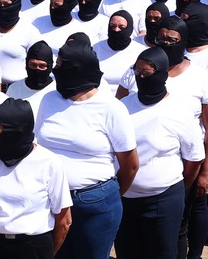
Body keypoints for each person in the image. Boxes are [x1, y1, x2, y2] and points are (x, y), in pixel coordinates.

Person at [35, 39, 139, 259]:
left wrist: (105, 195)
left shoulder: (111, 108)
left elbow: (130, 165)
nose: (56, 69)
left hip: (94, 204)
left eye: (62, 64)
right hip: (50, 199)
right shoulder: (49, 99)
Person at [116, 48, 205, 259]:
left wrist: (176, 188)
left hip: (163, 200)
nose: (140, 77)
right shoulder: (121, 107)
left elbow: (194, 158)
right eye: (136, 71)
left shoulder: (179, 110)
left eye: (146, 72)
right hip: (125, 199)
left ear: (162, 74)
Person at [0, 98, 73, 259]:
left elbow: (64, 219)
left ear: (16, 133)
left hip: (34, 247)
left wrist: (46, 253)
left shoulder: (49, 162)